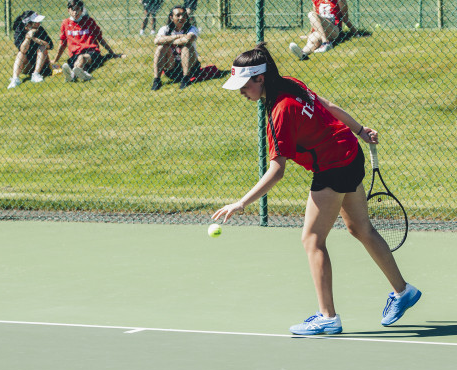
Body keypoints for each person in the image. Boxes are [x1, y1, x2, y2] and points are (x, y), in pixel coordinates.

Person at [213, 43, 421, 335]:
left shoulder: (280, 111)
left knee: (312, 239)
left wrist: (241, 203)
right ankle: (403, 292)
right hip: (349, 152)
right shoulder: (290, 84)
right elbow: (328, 106)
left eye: (243, 85)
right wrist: (360, 131)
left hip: (332, 167)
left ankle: (327, 317)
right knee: (361, 229)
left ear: (260, 78)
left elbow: (277, 170)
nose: (240, 92)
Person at [52, 0, 122, 83]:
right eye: (72, 9)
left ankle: (72, 75)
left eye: (77, 9)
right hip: (75, 54)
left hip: (92, 52)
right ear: (68, 10)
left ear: (81, 10)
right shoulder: (65, 23)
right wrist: (55, 60)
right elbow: (63, 44)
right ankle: (80, 74)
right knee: (78, 59)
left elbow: (100, 38)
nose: (75, 12)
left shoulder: (89, 21)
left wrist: (112, 53)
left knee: (82, 58)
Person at [151, 5, 200, 91]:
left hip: (191, 67)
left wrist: (168, 40)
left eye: (184, 15)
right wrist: (178, 36)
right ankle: (157, 80)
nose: (181, 18)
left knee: (187, 46)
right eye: (178, 15)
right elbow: (156, 41)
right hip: (172, 67)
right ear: (171, 17)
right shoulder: (165, 29)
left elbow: (189, 39)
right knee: (161, 47)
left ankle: (186, 78)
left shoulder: (191, 28)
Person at [289, 0, 357, 61]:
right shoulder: (316, 0)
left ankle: (325, 43)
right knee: (312, 41)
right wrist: (309, 34)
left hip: (333, 29)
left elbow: (345, 18)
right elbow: (315, 20)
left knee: (311, 14)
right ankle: (303, 54)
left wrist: (356, 33)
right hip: (321, 31)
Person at [8, 11, 54, 89]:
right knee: (20, 53)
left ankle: (36, 74)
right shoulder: (19, 31)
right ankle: (15, 79)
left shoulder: (40, 29)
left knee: (42, 47)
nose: (39, 23)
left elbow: (50, 45)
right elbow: (23, 50)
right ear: (28, 24)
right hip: (27, 65)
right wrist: (28, 38)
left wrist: (35, 39)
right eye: (36, 22)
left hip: (42, 63)